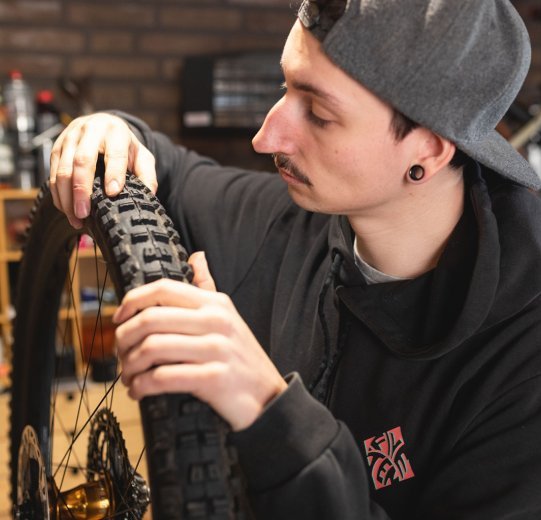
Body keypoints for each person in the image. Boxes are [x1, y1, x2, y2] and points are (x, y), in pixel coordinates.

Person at [49, 0, 541, 518]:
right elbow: (168, 168)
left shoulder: (523, 369)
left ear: (429, 152)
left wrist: (271, 414)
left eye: (321, 115)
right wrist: (108, 131)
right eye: (286, 88)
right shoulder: (293, 219)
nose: (266, 138)